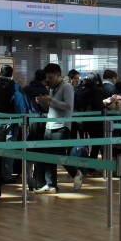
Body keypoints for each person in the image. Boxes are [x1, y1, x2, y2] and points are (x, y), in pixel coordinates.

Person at [35, 63, 79, 192]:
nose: (49, 80)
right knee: (48, 155)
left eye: (51, 77)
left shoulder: (67, 87)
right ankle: (51, 184)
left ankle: (76, 173)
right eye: (47, 77)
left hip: (61, 125)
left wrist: (51, 100)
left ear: (58, 74)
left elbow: (68, 106)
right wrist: (43, 102)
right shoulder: (52, 88)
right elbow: (51, 108)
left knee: (59, 154)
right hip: (50, 125)